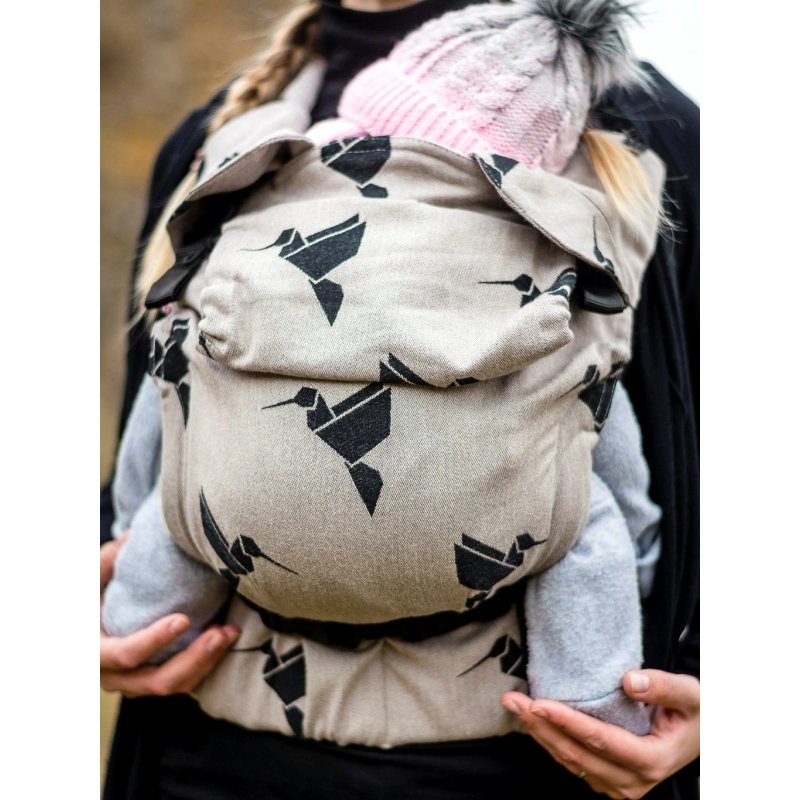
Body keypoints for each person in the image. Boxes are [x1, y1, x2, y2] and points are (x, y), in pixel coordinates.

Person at [101, 0, 699, 797]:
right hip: (208, 760)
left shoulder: (649, 134)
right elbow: (158, 423)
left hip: (524, 775)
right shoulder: (216, 135)